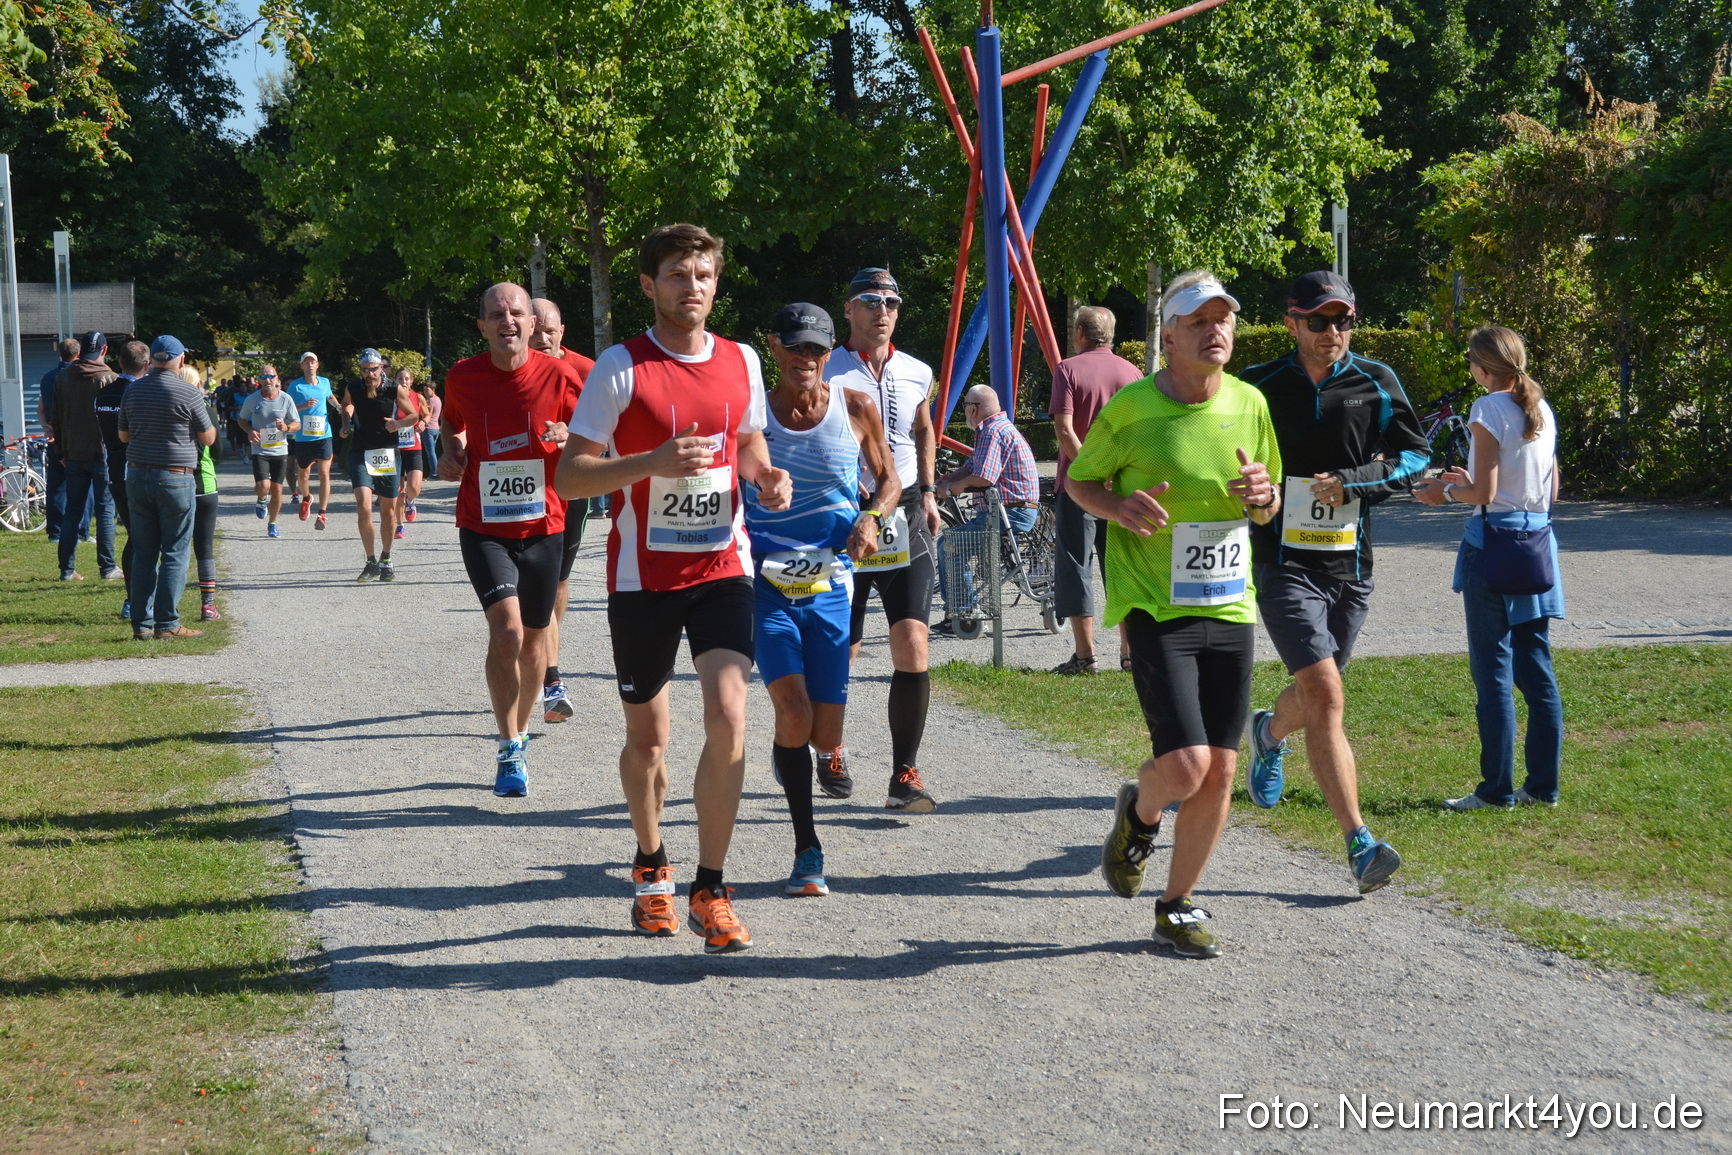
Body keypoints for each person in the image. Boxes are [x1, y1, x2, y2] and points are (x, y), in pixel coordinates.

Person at [555, 222, 791, 954]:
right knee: (648, 739)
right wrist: (652, 460)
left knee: (729, 714)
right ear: (649, 285)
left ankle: (711, 885)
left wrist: (764, 474)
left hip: (723, 563)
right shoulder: (620, 369)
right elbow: (569, 475)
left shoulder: (744, 360)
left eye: (705, 274)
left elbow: (748, 441)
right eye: (679, 275)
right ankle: (652, 860)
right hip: (643, 577)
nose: (694, 286)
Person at [1069, 270, 1281, 959]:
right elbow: (1078, 480)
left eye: (1224, 319)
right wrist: (1117, 506)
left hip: (1229, 601)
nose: (1216, 330)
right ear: (1167, 337)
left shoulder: (1250, 403)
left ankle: (1177, 903)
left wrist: (1262, 496)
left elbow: (1268, 501)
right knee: (1187, 765)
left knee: (1221, 768)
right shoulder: (1133, 407)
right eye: (1198, 321)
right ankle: (1139, 811)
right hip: (1155, 603)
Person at [1238, 271, 1428, 894]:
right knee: (1327, 695)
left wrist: (1357, 481)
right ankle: (1359, 843)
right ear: (1292, 323)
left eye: (1343, 320)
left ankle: (1267, 732)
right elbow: (1222, 454)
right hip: (1281, 561)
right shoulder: (1257, 386)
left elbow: (1415, 454)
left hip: (1351, 564)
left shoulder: (1375, 380)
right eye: (1320, 321)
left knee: (1321, 693)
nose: (1333, 333)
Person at [748, 302, 899, 896]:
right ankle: (807, 847)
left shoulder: (854, 406)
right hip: (767, 586)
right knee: (794, 713)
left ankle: (813, 754)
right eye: (796, 348)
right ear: (775, 348)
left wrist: (871, 518)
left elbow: (889, 481)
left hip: (832, 585)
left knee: (824, 733)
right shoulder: (751, 414)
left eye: (817, 349)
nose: (806, 359)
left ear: (830, 353)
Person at [437, 283, 585, 794]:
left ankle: (519, 737)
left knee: (535, 645)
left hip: (545, 525)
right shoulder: (463, 375)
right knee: (508, 633)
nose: (508, 320)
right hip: (483, 524)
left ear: (530, 322)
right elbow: (452, 424)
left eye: (516, 312)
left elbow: (597, 433)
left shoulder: (561, 374)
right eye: (496, 314)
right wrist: (451, 449)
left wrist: (571, 438)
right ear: (482, 326)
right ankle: (508, 746)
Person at [1415, 325, 1564, 810]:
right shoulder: (1541, 409)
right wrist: (1472, 482)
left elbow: (1482, 495)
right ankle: (1543, 786)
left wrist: (1444, 491)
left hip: (1494, 547)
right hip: (1538, 544)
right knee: (1536, 670)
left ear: (1481, 369)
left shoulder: (1486, 408)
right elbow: (1548, 490)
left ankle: (1496, 790)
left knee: (1493, 672)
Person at [823, 267, 945, 810]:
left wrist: (931, 492)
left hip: (906, 515)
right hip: (844, 519)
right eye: (870, 300)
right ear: (848, 309)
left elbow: (923, 429)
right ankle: (830, 748)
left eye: (892, 302)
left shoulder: (919, 370)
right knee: (839, 651)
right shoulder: (826, 369)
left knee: (913, 643)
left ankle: (905, 773)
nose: (882, 310)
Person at [1049, 305, 1143, 674]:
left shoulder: (1067, 369)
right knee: (1121, 567)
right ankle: (1130, 652)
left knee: (1076, 565)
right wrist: (1113, 476)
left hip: (1077, 488)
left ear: (1079, 334)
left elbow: (1064, 430)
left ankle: (1085, 656)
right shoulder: (1133, 373)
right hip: (1122, 486)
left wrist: (1090, 473)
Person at [119, 335, 216, 640]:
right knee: (174, 551)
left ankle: (142, 625)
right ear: (181, 361)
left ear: (151, 361)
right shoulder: (188, 393)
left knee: (144, 551)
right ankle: (167, 623)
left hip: (136, 476)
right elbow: (209, 438)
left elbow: (123, 436)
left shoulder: (132, 391)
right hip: (175, 477)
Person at [529, 297, 597, 723]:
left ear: (562, 331)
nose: (542, 338)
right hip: (522, 492)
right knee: (531, 587)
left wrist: (570, 431)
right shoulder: (508, 367)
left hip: (569, 490)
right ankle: (550, 676)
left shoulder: (586, 370)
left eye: (549, 330)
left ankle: (546, 652)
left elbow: (608, 431)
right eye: (535, 330)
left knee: (556, 585)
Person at [933, 384, 1041, 640]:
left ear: (974, 408)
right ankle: (959, 610)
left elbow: (983, 477)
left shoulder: (993, 432)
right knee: (951, 541)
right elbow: (972, 466)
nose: (965, 411)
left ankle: (965, 612)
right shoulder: (995, 429)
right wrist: (947, 478)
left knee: (951, 544)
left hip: (1010, 513)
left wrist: (951, 489)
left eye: (966, 406)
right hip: (1010, 511)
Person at [48, 331, 120, 582]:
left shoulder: (62, 377)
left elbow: (55, 418)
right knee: (104, 511)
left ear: (80, 352)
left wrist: (61, 452)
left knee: (72, 512)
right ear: (104, 350)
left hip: (73, 454)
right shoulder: (110, 379)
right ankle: (108, 567)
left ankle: (66, 570)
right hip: (102, 455)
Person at [340, 348, 407, 581]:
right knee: (364, 507)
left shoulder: (393, 388)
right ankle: (370, 561)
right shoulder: (354, 387)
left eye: (373, 369)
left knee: (388, 513)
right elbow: (347, 404)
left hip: (388, 453)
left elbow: (414, 416)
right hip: (361, 452)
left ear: (382, 368)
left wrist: (398, 423)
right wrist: (346, 420)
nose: (369, 374)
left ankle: (386, 558)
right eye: (365, 370)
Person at [96, 340, 150, 619]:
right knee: (146, 538)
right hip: (139, 470)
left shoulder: (104, 395)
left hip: (114, 471)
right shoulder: (139, 393)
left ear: (119, 363)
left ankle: (133, 599)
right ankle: (140, 600)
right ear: (147, 365)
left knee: (134, 535)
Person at [39, 336, 93, 544]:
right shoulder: (79, 376)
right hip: (77, 437)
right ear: (78, 354)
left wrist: (46, 426)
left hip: (54, 436)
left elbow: (41, 408)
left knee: (56, 484)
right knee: (84, 483)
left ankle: (55, 531)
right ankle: (82, 531)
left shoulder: (47, 378)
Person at [181, 365, 224, 620]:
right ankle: (208, 605)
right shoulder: (207, 412)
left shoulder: (171, 409)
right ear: (198, 386)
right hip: (205, 484)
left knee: (175, 546)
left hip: (176, 480)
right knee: (204, 547)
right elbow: (217, 451)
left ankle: (169, 606)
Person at [238, 363, 300, 538]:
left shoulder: (286, 399)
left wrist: (287, 427)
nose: (268, 380)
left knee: (278, 489)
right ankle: (261, 498)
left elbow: (297, 424)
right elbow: (241, 419)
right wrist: (250, 431)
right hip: (260, 450)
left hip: (280, 451)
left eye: (271, 376)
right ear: (259, 380)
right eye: (264, 377)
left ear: (277, 378)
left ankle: (272, 524)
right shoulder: (252, 399)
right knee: (263, 486)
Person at [287, 352, 337, 530]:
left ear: (317, 365)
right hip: (303, 436)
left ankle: (322, 513)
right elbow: (288, 408)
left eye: (312, 362)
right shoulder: (295, 386)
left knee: (324, 474)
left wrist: (338, 407)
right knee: (304, 475)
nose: (310, 365)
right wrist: (303, 406)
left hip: (324, 435)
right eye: (306, 363)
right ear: (301, 366)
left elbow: (330, 396)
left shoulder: (325, 382)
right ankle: (307, 498)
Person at [392, 367, 431, 541]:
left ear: (411, 381)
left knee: (414, 487)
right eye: (400, 378)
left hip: (413, 447)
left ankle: (410, 501)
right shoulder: (391, 399)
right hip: (394, 449)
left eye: (406, 378)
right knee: (398, 490)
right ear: (395, 380)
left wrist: (424, 421)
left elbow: (428, 414)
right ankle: (399, 525)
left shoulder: (418, 397)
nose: (404, 381)